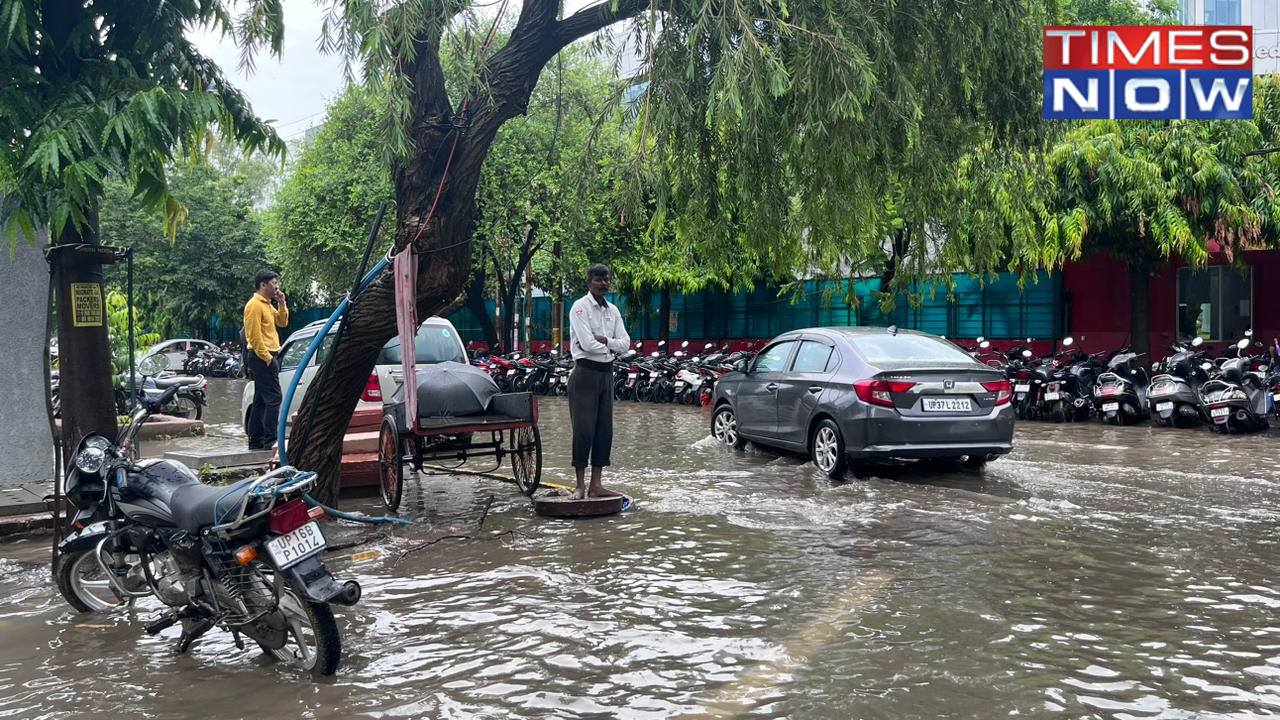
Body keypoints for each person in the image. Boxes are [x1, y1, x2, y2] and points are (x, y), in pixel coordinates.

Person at [567, 263, 630, 500]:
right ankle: (580, 486)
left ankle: (596, 485)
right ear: (588, 282)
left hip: (606, 374)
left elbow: (626, 343)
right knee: (583, 430)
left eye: (606, 279)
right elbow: (586, 344)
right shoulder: (579, 308)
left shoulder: (613, 310)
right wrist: (610, 344)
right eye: (597, 279)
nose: (603, 283)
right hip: (584, 374)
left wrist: (606, 341)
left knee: (604, 430)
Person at [243, 270, 289, 450]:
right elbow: (253, 336)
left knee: (261, 399)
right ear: (263, 285)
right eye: (273, 283)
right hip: (262, 356)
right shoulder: (254, 305)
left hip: (268, 354)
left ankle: (256, 440)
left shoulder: (267, 304)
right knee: (274, 398)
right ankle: (270, 439)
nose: (276, 286)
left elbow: (282, 322)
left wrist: (282, 303)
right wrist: (268, 358)